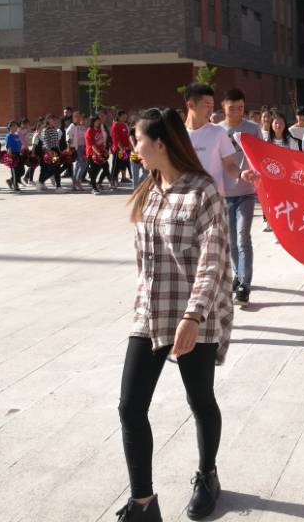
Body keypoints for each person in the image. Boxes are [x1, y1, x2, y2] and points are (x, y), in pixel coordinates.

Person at [118, 107, 234, 522]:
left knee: (199, 399)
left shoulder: (203, 192)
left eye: (138, 140)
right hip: (151, 313)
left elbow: (213, 261)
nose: (135, 148)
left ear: (160, 143)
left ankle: (207, 475)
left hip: (193, 317)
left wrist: (193, 317)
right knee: (130, 407)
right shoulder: (149, 189)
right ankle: (144, 504)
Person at [217, 88, 261, 307]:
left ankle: (245, 285)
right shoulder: (217, 131)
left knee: (243, 237)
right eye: (232, 108)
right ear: (223, 107)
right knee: (231, 240)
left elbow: (262, 155)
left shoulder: (252, 129)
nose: (236, 112)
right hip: (224, 193)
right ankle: (237, 273)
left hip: (246, 192)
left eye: (241, 108)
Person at [183, 84, 254, 199]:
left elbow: (229, 165)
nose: (211, 111)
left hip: (213, 199)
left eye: (212, 106)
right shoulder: (178, 135)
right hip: (185, 198)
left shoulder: (218, 132)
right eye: (207, 106)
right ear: (190, 105)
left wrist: (241, 174)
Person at [38, 115, 66, 192]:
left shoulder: (54, 129)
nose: (54, 122)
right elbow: (45, 142)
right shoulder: (45, 130)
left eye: (55, 120)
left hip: (56, 150)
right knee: (54, 169)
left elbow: (56, 141)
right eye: (53, 120)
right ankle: (42, 182)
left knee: (56, 169)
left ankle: (58, 187)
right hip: (50, 151)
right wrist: (50, 152)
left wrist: (59, 151)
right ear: (48, 120)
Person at [85, 115, 111, 194]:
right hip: (92, 154)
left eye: (99, 121)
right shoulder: (89, 131)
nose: (98, 122)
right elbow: (92, 145)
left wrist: (105, 151)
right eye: (97, 121)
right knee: (94, 171)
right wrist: (99, 153)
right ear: (93, 122)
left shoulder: (99, 130)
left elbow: (101, 142)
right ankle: (94, 188)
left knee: (106, 167)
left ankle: (99, 183)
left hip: (101, 153)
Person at [65, 111, 88, 192]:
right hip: (76, 148)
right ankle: (78, 181)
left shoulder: (82, 126)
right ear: (74, 118)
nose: (79, 118)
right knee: (82, 164)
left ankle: (74, 183)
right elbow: (68, 137)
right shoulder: (72, 126)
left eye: (80, 117)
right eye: (77, 117)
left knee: (79, 165)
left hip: (83, 148)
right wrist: (68, 148)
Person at [111, 110, 133, 188]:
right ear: (118, 117)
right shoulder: (115, 125)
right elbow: (116, 139)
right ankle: (113, 181)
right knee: (116, 165)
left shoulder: (124, 125)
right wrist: (122, 149)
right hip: (119, 149)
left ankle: (121, 179)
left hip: (126, 149)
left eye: (126, 117)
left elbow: (127, 137)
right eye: (123, 117)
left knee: (123, 164)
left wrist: (130, 147)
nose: (125, 118)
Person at [4, 120, 24, 193]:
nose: (16, 127)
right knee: (15, 172)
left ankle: (10, 181)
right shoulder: (9, 136)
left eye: (16, 126)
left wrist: (21, 151)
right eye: (15, 126)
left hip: (18, 154)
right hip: (12, 155)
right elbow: (8, 147)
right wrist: (10, 156)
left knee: (22, 171)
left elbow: (20, 144)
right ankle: (15, 186)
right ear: (10, 127)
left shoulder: (16, 135)